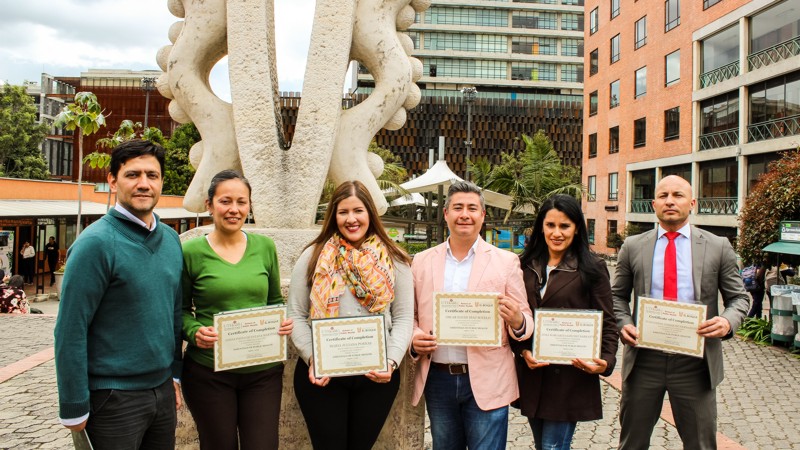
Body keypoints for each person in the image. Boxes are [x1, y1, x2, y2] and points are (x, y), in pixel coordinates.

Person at [54, 140, 184, 449]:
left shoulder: (171, 240)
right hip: (112, 398)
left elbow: (174, 313)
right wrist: (73, 405)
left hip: (162, 393)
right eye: (133, 175)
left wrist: (174, 376)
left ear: (162, 181)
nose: (144, 184)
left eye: (152, 175)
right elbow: (71, 329)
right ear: (113, 180)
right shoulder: (95, 244)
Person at [612, 175, 749, 450]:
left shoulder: (718, 246)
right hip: (644, 360)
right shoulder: (634, 246)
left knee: (700, 443)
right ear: (654, 204)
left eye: (678, 195)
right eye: (663, 196)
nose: (670, 201)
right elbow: (616, 296)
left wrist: (726, 321)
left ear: (692, 203)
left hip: (695, 363)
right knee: (632, 443)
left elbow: (739, 298)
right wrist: (622, 323)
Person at [288, 180, 413, 450]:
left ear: (370, 214)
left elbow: (403, 318)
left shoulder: (395, 259)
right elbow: (296, 316)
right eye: (343, 211)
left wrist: (390, 362)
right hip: (322, 376)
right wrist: (312, 358)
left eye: (358, 211)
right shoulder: (313, 256)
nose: (351, 219)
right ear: (333, 215)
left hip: (375, 377)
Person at [410, 180, 533, 450]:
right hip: (438, 378)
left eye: (471, 208)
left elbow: (525, 318)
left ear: (482, 215)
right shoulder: (421, 261)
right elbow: (411, 315)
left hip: (489, 378)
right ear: (446, 214)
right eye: (457, 208)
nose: (464, 214)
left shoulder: (506, 261)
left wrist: (517, 320)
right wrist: (415, 336)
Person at [181, 170, 294, 449]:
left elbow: (274, 301)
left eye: (241, 202)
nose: (234, 209)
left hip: (263, 372)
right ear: (209, 205)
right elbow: (179, 310)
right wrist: (194, 331)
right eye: (225, 201)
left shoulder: (265, 246)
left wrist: (281, 321)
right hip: (209, 372)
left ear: (250, 206)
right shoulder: (190, 252)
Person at [510, 194, 618, 450]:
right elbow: (514, 319)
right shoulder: (523, 265)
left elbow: (608, 322)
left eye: (565, 226)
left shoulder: (592, 267)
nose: (557, 233)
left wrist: (606, 361)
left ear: (577, 228)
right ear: (541, 227)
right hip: (533, 374)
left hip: (570, 377)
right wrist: (522, 351)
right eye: (550, 225)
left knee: (553, 447)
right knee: (543, 446)